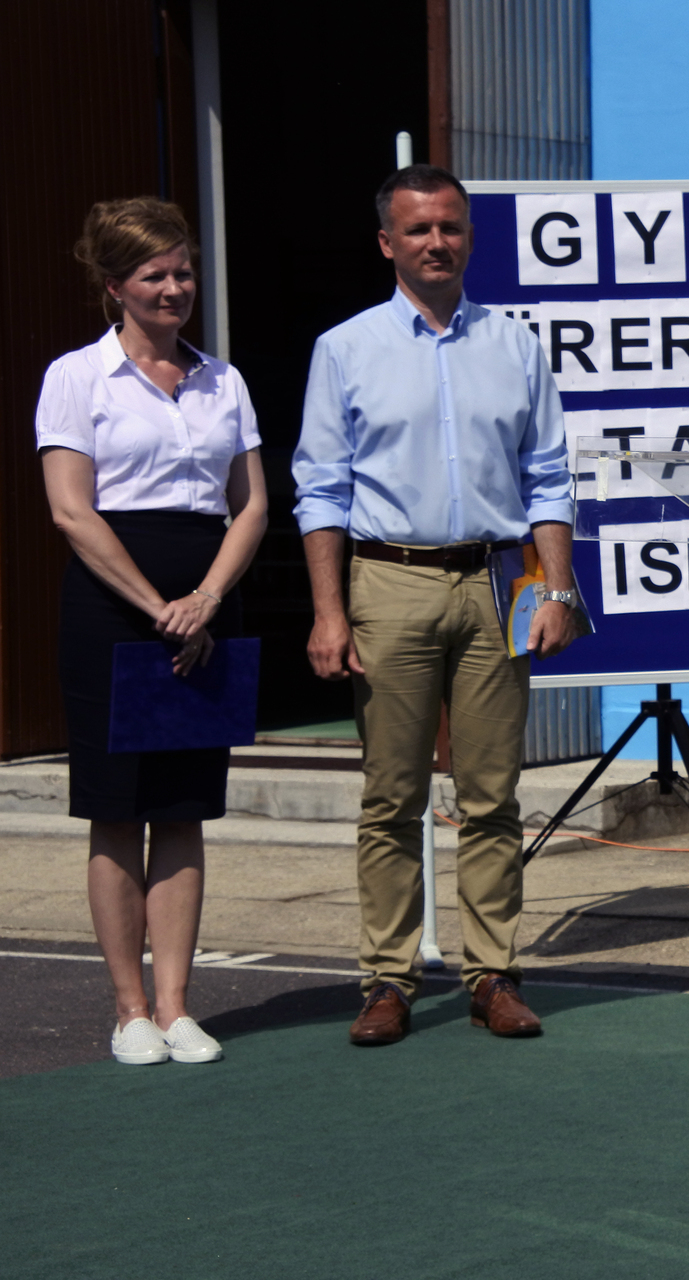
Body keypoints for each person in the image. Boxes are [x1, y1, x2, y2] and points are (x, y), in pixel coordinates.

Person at [293, 164, 580, 1047]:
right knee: (393, 796)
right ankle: (388, 978)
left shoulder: (515, 345)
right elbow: (321, 489)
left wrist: (556, 590)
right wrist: (329, 613)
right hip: (389, 582)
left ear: (470, 236)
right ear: (387, 242)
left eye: (450, 226)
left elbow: (548, 476)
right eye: (418, 229)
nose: (436, 242)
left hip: (495, 580)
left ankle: (493, 973)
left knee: (493, 794)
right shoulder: (345, 349)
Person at [36, 197, 269, 1066]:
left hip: (207, 607)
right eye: (154, 275)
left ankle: (175, 1006)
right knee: (115, 808)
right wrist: (155, 605)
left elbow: (251, 506)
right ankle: (129, 1010)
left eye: (183, 272)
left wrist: (204, 599)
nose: (175, 289)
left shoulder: (224, 380)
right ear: (115, 286)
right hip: (112, 611)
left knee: (182, 808)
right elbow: (71, 511)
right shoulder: (76, 377)